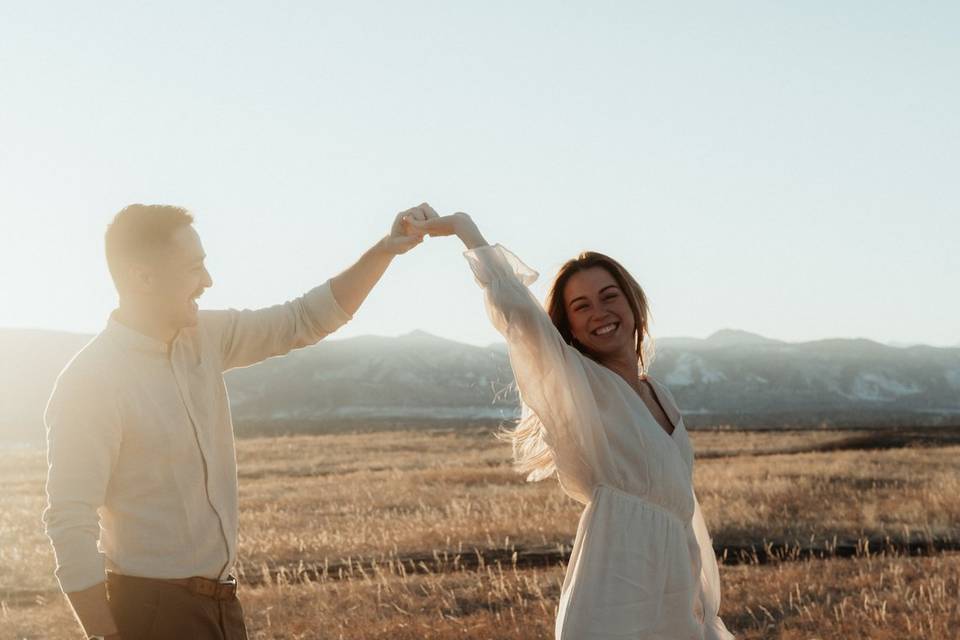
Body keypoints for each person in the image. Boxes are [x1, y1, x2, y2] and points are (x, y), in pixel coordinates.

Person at [43, 202, 433, 640]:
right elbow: (69, 519)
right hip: (151, 614)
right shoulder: (91, 381)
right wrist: (104, 636)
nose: (207, 282)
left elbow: (303, 319)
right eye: (193, 268)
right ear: (143, 277)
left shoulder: (206, 337)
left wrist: (385, 250)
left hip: (223, 608)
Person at [407, 212, 734, 639]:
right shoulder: (582, 384)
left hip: (673, 595)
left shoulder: (661, 396)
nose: (599, 312)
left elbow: (681, 511)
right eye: (581, 306)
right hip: (616, 595)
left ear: (633, 303)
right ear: (572, 330)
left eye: (609, 296)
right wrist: (467, 231)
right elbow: (518, 314)